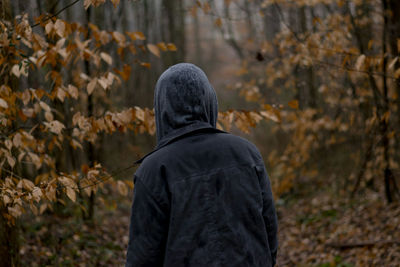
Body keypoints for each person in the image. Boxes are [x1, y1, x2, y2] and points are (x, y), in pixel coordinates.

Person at [125, 63, 278, 267]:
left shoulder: (153, 170)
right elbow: (269, 236)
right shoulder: (247, 153)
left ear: (162, 107)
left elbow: (143, 256)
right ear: (209, 100)